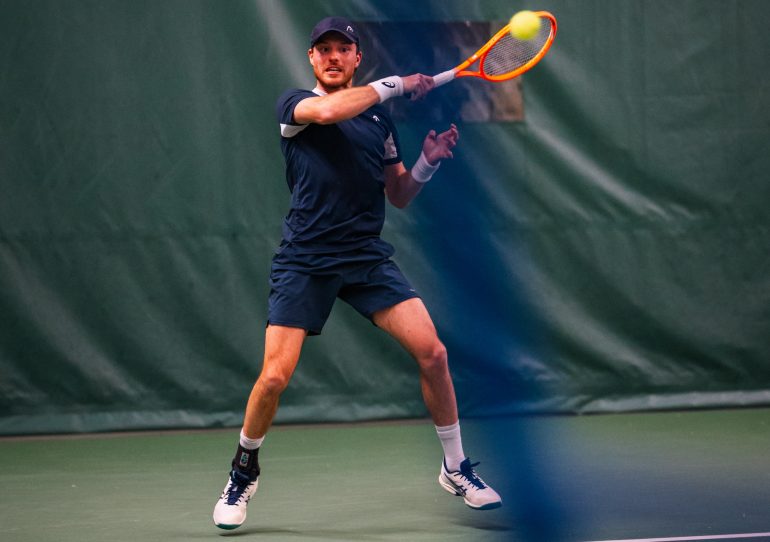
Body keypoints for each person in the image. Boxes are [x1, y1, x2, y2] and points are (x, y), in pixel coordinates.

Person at [213, 16, 501, 530]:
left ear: (356, 57)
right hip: (305, 259)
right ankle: (243, 470)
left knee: (434, 353)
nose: (332, 56)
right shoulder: (295, 105)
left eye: (342, 49)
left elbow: (398, 193)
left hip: (365, 258)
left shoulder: (379, 122)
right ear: (311, 58)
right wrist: (396, 84)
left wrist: (427, 163)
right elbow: (329, 111)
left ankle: (455, 467)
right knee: (274, 377)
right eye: (323, 49)